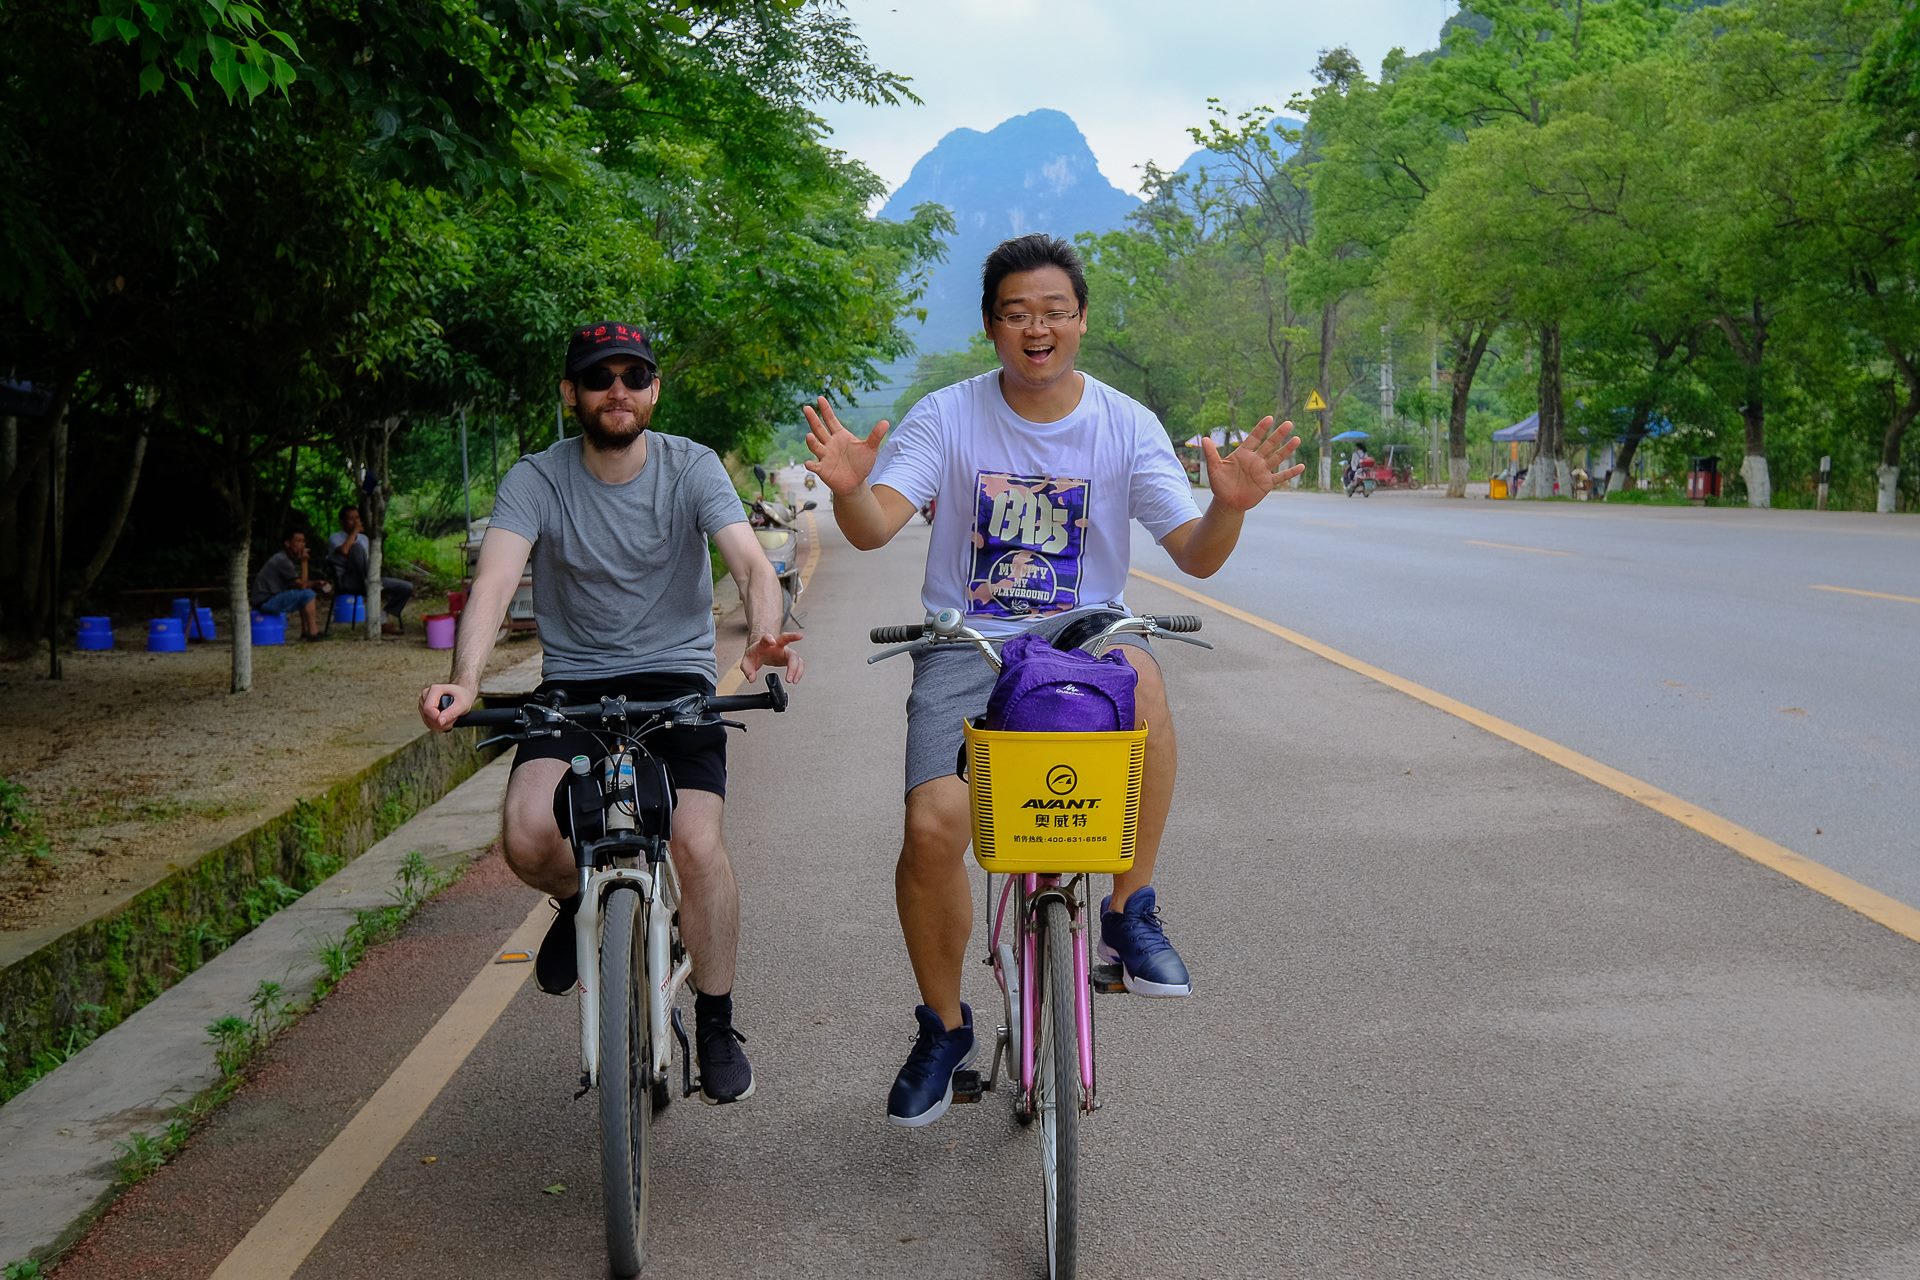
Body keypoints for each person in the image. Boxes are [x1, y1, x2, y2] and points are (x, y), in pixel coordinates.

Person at [802, 233, 1302, 1127]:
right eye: (1017, 313)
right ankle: (944, 1025)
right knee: (932, 827)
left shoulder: (1124, 422)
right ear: (992, 326)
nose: (1038, 328)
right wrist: (848, 487)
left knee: (1142, 670)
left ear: (1080, 322)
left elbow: (1194, 556)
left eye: (1054, 312)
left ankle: (1129, 907)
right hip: (969, 644)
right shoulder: (948, 417)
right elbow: (876, 524)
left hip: (1081, 638)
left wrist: (1227, 506)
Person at [419, 321, 804, 1105]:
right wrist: (463, 679)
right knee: (529, 835)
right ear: (573, 395)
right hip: (576, 687)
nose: (618, 391)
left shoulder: (690, 466)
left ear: (654, 389)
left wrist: (763, 636)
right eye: (600, 379)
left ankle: (719, 1019)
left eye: (634, 376)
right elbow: (494, 583)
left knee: (696, 845)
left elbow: (749, 562)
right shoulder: (537, 478)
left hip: (677, 684)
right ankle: (574, 901)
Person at [328, 505, 414, 634]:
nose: (355, 522)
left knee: (406, 587)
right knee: (356, 548)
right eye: (351, 519)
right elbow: (345, 551)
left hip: (369, 578)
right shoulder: (335, 538)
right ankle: (371, 586)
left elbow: (367, 562)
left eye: (357, 518)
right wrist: (355, 532)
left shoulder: (364, 539)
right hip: (348, 581)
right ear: (342, 522)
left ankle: (383, 617)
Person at [250, 530, 330, 641]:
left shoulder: (284, 558)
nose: (302, 545)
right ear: (287, 543)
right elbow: (303, 586)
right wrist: (304, 562)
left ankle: (306, 632)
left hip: (267, 600)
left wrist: (315, 583)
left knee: (304, 594)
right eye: (298, 541)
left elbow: (301, 584)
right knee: (308, 594)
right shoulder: (283, 561)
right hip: (265, 602)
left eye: (303, 541)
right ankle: (313, 632)